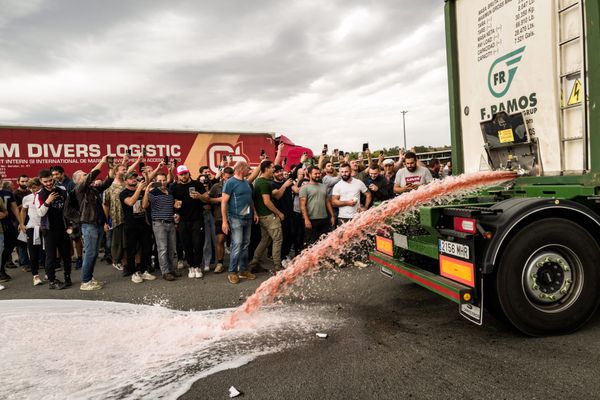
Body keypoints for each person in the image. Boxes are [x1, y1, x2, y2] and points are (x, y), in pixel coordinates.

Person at [73, 155, 115, 291]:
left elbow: (108, 181)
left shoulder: (93, 190)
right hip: (89, 224)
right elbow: (92, 176)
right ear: (79, 181)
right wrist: (101, 162)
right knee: (90, 253)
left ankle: (89, 278)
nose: (88, 177)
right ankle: (85, 282)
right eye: (84, 176)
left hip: (97, 224)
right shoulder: (79, 189)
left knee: (94, 253)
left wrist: (111, 166)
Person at [222, 161, 258, 284]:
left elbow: (249, 199)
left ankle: (243, 271)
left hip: (247, 218)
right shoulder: (230, 182)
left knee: (245, 244)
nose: (250, 170)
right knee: (237, 245)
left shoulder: (246, 183)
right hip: (236, 218)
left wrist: (255, 212)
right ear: (241, 169)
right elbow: (224, 202)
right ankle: (232, 272)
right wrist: (224, 221)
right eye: (248, 168)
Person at [37, 169, 73, 289]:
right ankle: (52, 281)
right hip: (49, 229)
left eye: (50, 180)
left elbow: (68, 208)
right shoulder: (40, 194)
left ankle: (67, 277)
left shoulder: (62, 190)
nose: (48, 183)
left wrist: (70, 224)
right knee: (51, 257)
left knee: (66, 255)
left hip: (63, 228)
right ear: (41, 181)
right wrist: (48, 201)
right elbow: (40, 213)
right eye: (45, 181)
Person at [171, 165, 209, 279]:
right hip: (182, 220)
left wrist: (200, 196)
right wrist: (175, 205)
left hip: (197, 219)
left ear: (189, 173)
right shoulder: (174, 187)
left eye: (185, 173)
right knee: (186, 245)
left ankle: (197, 266)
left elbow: (207, 199)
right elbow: (171, 202)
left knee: (198, 244)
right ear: (178, 175)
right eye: (181, 174)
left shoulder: (197, 184)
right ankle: (191, 266)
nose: (184, 176)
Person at [119, 171, 157, 284]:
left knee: (146, 247)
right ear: (125, 181)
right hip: (131, 225)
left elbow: (145, 205)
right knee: (131, 249)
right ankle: (133, 272)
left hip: (143, 223)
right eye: (131, 178)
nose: (134, 180)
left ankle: (144, 270)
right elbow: (131, 202)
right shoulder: (123, 193)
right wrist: (139, 189)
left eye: (135, 178)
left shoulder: (141, 190)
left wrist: (144, 189)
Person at [248, 160, 285, 273]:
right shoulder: (263, 183)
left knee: (265, 240)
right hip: (269, 216)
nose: (274, 169)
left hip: (263, 216)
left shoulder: (259, 181)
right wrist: (279, 213)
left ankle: (253, 263)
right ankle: (278, 267)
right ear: (266, 169)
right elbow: (267, 202)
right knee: (278, 240)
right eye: (272, 167)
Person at [143, 172, 178, 281]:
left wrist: (176, 211)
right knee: (163, 249)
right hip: (159, 224)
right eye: (160, 181)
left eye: (164, 180)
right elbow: (144, 205)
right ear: (156, 181)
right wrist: (146, 192)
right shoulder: (153, 193)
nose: (162, 182)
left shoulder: (170, 191)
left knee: (172, 249)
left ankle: (172, 269)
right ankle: (165, 272)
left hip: (170, 223)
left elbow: (172, 205)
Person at [299, 166, 335, 247]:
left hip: (324, 219)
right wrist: (306, 220)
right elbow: (302, 206)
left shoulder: (323, 186)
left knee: (324, 243)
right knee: (310, 244)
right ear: (309, 174)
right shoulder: (304, 188)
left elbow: (327, 202)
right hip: (311, 220)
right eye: (315, 174)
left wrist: (332, 216)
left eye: (319, 173)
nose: (318, 175)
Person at [209, 166, 234, 274]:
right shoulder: (216, 187)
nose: (228, 180)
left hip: (234, 216)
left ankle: (236, 263)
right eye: (227, 177)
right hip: (219, 216)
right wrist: (221, 199)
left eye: (230, 177)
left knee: (236, 242)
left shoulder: (236, 185)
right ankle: (220, 263)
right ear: (223, 176)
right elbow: (209, 200)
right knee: (220, 240)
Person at [20, 178, 45, 286]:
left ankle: (49, 273)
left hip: (45, 227)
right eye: (30, 188)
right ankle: (35, 276)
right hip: (32, 227)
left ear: (40, 186)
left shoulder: (45, 195)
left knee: (46, 251)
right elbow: (23, 210)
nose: (33, 190)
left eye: (35, 187)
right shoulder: (27, 198)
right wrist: (21, 224)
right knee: (33, 252)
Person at [0, 174, 22, 281]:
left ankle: (2, 267)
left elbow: (14, 208)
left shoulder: (7, 193)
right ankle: (1, 271)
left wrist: (20, 223)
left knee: (11, 244)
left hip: (7, 223)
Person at [271, 164, 294, 265]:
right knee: (281, 237)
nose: (280, 173)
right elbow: (277, 196)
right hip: (280, 215)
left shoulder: (287, 181)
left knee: (290, 235)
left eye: (281, 170)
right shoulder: (272, 184)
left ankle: (285, 254)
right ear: (273, 174)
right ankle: (280, 258)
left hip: (290, 213)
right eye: (277, 172)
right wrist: (284, 186)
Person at [14, 174, 31, 272]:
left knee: (33, 242)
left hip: (31, 219)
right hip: (20, 220)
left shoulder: (29, 192)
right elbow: (15, 209)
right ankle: (25, 264)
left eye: (26, 181)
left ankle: (37, 261)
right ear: (18, 182)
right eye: (22, 181)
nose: (25, 183)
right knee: (22, 243)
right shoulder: (15, 194)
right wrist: (25, 204)